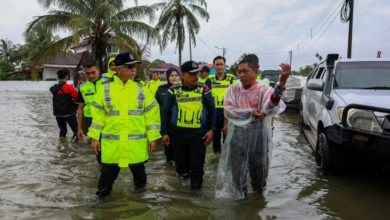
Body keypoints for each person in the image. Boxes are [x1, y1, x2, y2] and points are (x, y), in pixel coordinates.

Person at [215, 54, 290, 200]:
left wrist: (281, 83)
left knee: (258, 175)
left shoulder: (264, 89)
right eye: (239, 71)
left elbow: (271, 106)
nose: (241, 75)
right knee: (237, 175)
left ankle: (257, 205)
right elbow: (228, 110)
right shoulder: (233, 89)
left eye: (245, 71)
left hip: (259, 136)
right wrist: (250, 113)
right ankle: (240, 206)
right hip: (238, 136)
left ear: (256, 71)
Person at [87, 52, 161, 199]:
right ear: (118, 69)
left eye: (135, 66)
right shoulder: (105, 89)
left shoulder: (141, 89)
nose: (134, 69)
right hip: (112, 146)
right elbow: (98, 116)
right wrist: (94, 137)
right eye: (130, 66)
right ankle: (100, 208)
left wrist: (153, 137)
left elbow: (152, 114)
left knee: (140, 181)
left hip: (135, 146)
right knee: (105, 182)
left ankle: (140, 203)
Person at [161, 60, 216, 190]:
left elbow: (212, 110)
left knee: (196, 170)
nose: (195, 76)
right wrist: (164, 133)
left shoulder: (204, 89)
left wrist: (212, 130)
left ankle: (196, 198)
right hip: (178, 136)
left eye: (196, 73)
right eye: (191, 74)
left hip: (198, 136)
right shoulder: (172, 91)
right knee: (181, 168)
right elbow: (165, 112)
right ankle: (183, 197)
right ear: (183, 75)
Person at [210, 56, 236, 154]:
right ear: (214, 66)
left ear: (225, 65)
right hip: (214, 113)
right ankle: (216, 159)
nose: (220, 67)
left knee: (227, 137)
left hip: (228, 113)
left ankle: (226, 159)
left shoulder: (231, 79)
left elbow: (235, 97)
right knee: (215, 138)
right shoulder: (210, 80)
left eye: (221, 64)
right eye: (217, 64)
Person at [155, 67, 181, 163]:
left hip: (179, 124)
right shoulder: (161, 90)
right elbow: (155, 107)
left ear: (179, 77)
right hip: (166, 123)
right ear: (167, 77)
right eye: (171, 76)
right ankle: (169, 171)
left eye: (176, 75)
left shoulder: (184, 89)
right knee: (168, 149)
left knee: (179, 150)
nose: (174, 78)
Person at [76, 60, 103, 142]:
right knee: (93, 146)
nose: (91, 76)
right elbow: (80, 108)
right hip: (89, 120)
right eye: (87, 73)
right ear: (84, 72)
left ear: (98, 69)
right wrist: (79, 128)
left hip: (106, 119)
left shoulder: (109, 82)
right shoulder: (82, 86)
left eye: (93, 72)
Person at [49, 69, 79, 142]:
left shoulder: (53, 88)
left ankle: (62, 145)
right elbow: (76, 98)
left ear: (58, 77)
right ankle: (77, 147)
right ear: (66, 77)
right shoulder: (69, 87)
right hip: (69, 113)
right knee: (76, 130)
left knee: (63, 130)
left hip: (58, 113)